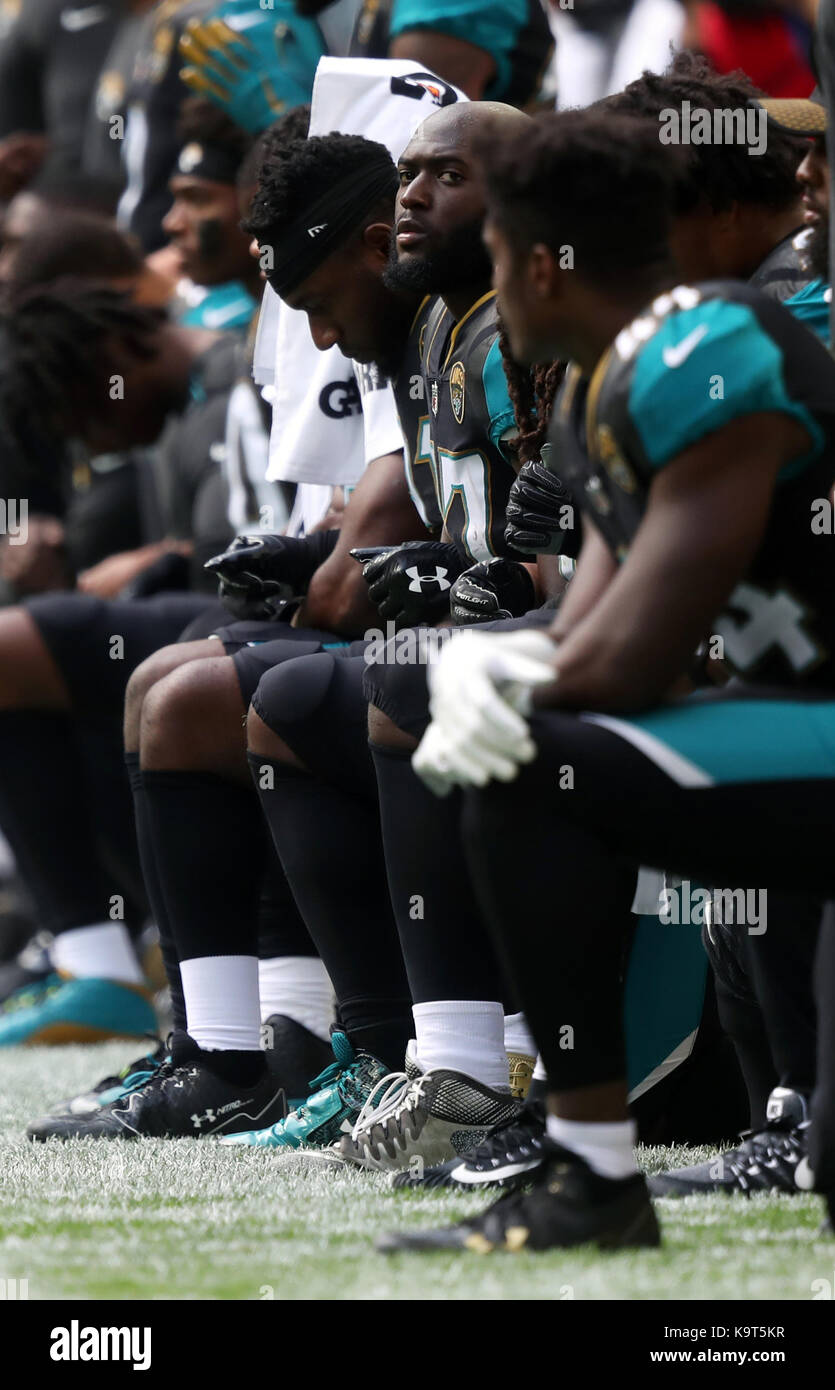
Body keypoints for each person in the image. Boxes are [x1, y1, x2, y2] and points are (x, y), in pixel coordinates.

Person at [369, 107, 835, 1251]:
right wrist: (504, 664)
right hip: (797, 723)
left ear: (534, 264)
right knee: (522, 744)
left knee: (528, 754)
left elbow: (632, 659)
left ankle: (590, 1169)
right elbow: (595, 628)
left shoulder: (709, 346)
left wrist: (501, 676)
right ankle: (587, 1165)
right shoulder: (600, 385)